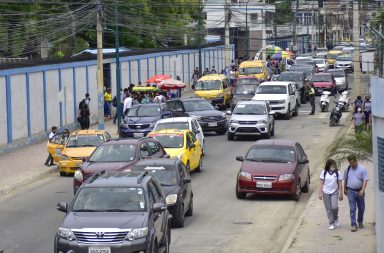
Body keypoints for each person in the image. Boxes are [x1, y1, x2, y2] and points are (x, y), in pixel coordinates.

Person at [344, 154, 369, 232]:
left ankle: (360, 221)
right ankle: (353, 224)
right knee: (352, 208)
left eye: (353, 163)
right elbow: (345, 179)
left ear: (356, 161)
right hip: (350, 191)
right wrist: (345, 189)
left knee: (361, 208)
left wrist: (362, 190)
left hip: (359, 191)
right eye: (350, 163)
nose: (352, 165)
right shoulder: (347, 169)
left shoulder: (362, 169)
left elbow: (365, 180)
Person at [319, 159, 343, 230]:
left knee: (334, 207)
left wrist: (340, 193)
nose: (333, 166)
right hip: (325, 192)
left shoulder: (338, 173)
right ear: (328, 165)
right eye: (332, 165)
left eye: (334, 165)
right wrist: (320, 193)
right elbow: (321, 183)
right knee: (328, 208)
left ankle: (336, 218)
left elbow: (340, 183)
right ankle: (331, 223)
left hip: (334, 192)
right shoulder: (324, 172)